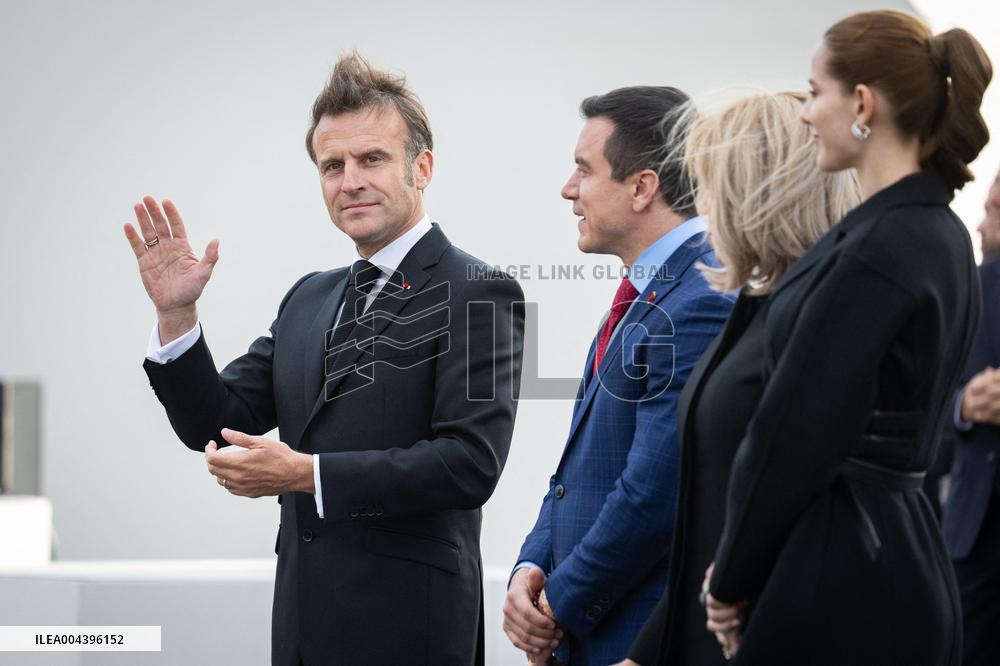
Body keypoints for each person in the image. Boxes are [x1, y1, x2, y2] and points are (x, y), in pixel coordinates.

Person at [124, 53, 525, 665]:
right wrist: (177, 317)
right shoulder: (309, 297)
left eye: (372, 159)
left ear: (423, 167)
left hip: (409, 634)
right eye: (331, 166)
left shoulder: (477, 289)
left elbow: (470, 464)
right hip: (303, 631)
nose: (350, 181)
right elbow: (216, 422)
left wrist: (308, 475)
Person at [631, 10, 990, 665]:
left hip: (843, 582)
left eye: (815, 91)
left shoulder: (877, 250)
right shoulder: (928, 233)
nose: (804, 113)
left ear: (862, 104)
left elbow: (793, 433)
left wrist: (731, 581)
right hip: (883, 562)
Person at [619, 91, 859, 666]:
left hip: (787, 621)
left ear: (757, 191)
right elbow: (713, 518)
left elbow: (786, 495)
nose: (699, 205)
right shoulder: (757, 306)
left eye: (708, 183)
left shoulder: (817, 314)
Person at [502, 86, 734, 665]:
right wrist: (530, 566)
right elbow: (580, 469)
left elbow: (654, 491)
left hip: (633, 636)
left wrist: (557, 602)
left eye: (584, 170)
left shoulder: (699, 299)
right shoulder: (646, 295)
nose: (568, 188)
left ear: (642, 187)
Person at [941, 167, 1000, 666]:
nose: (982, 225)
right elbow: (923, 411)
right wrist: (963, 407)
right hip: (975, 535)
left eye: (996, 211)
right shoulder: (975, 288)